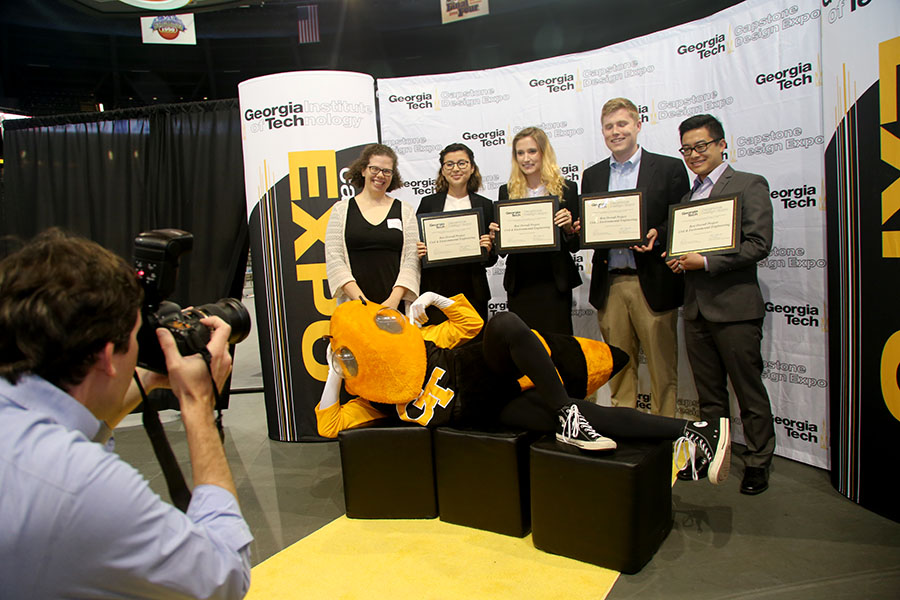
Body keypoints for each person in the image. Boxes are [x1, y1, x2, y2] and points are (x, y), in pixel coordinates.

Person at [0, 229, 252, 598]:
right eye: (138, 338)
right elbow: (224, 577)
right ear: (106, 356)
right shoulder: (83, 486)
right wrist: (198, 404)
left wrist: (149, 378)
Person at [316, 291, 732, 485]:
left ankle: (568, 417)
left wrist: (438, 300)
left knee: (506, 323)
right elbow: (330, 424)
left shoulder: (424, 341)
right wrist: (336, 372)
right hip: (493, 414)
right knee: (588, 414)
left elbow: (472, 327)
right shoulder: (374, 400)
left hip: (491, 373)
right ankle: (695, 430)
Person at [666, 114, 775, 495]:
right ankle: (713, 453)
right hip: (695, 307)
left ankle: (759, 461)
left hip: (736, 309)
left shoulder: (747, 184)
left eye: (701, 146)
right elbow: (689, 251)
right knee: (708, 393)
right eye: (686, 149)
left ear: (721, 144)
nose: (693, 155)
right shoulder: (687, 198)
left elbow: (758, 244)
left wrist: (707, 262)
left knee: (748, 390)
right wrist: (679, 259)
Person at [583, 98, 690, 417]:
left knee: (662, 368)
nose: (616, 132)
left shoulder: (669, 168)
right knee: (618, 369)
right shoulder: (593, 175)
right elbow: (588, 224)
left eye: (622, 124)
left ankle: (664, 435)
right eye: (609, 127)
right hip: (610, 283)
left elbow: (681, 216)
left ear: (638, 125)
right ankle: (625, 431)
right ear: (602, 131)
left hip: (654, 281)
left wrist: (659, 232)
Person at [497, 127, 581, 335]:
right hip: (521, 282)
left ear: (544, 152)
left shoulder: (567, 189)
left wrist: (569, 228)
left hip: (554, 282)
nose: (526, 158)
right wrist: (496, 234)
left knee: (558, 344)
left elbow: (575, 246)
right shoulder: (506, 192)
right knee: (524, 347)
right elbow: (502, 250)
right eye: (520, 153)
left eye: (532, 151)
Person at [326, 143, 420, 313]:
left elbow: (411, 260)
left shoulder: (405, 210)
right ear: (363, 170)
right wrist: (362, 301)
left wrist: (394, 300)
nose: (380, 175)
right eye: (374, 169)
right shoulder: (341, 210)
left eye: (386, 171)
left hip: (394, 307)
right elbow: (335, 258)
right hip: (355, 305)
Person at [416, 143, 497, 325]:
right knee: (439, 348)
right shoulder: (428, 203)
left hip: (473, 289)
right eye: (449, 164)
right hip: (436, 288)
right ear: (443, 170)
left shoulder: (485, 205)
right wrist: (420, 251)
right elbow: (417, 248)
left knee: (473, 348)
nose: (456, 169)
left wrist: (489, 248)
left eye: (462, 163)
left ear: (472, 167)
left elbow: (492, 259)